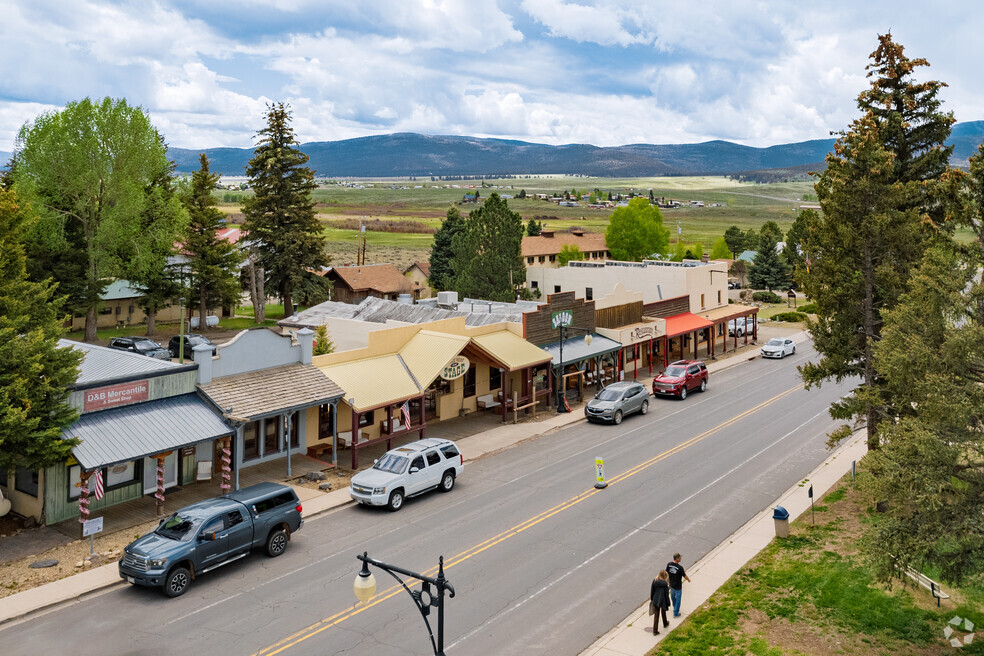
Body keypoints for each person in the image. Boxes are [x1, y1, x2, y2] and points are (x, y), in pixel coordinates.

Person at [666, 552, 691, 618]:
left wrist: (667, 581)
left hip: (671, 585)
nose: (680, 558)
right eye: (680, 557)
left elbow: (666, 573)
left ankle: (675, 608)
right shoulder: (680, 567)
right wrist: (688, 580)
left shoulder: (669, 564)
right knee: (678, 600)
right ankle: (676, 613)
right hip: (678, 586)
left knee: (673, 598)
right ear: (677, 559)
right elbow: (684, 575)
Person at [650, 569, 671, 635]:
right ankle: (665, 623)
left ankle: (655, 631)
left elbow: (652, 591)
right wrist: (668, 602)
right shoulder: (665, 584)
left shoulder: (655, 580)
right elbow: (666, 594)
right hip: (663, 600)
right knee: (663, 612)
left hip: (656, 599)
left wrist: (652, 598)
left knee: (656, 615)